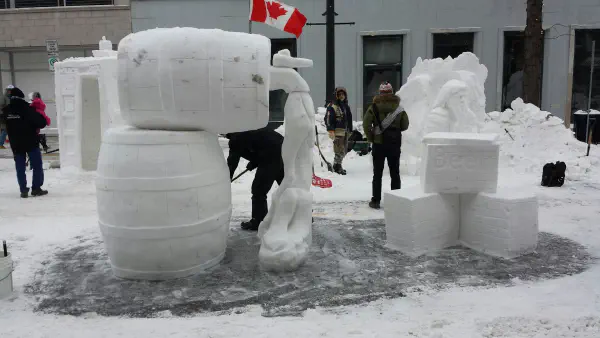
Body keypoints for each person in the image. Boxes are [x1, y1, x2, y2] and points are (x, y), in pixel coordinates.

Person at [362, 81, 409, 209]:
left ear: (380, 93)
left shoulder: (374, 107)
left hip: (379, 144)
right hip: (394, 144)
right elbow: (405, 125)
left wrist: (372, 137)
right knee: (395, 172)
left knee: (377, 173)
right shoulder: (399, 108)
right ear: (391, 92)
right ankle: (396, 200)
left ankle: (376, 200)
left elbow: (366, 125)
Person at [226, 128, 284, 231]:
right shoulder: (245, 130)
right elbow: (259, 145)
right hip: (282, 150)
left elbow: (232, 162)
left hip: (272, 156)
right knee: (286, 185)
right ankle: (303, 214)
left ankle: (258, 221)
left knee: (258, 190)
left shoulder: (235, 138)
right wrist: (254, 162)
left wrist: (226, 180)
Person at [1, 87, 49, 198]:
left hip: (16, 143)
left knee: (20, 167)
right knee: (37, 165)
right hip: (31, 142)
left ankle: (23, 190)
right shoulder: (28, 109)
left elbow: (4, 123)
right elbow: (41, 123)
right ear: (22, 97)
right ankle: (36, 188)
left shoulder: (6, 111)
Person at [325, 87, 353, 175]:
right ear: (336, 95)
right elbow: (328, 118)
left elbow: (349, 118)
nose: (341, 96)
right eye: (339, 94)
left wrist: (350, 129)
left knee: (344, 149)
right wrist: (330, 129)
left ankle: (337, 164)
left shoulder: (345, 106)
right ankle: (337, 166)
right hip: (337, 131)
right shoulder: (333, 106)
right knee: (339, 149)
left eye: (343, 94)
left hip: (344, 131)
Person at [0, 85, 13, 149]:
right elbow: (1, 105)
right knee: (5, 130)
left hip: (8, 115)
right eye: (10, 90)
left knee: (8, 129)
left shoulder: (10, 97)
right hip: (3, 115)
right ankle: (0, 144)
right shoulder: (4, 97)